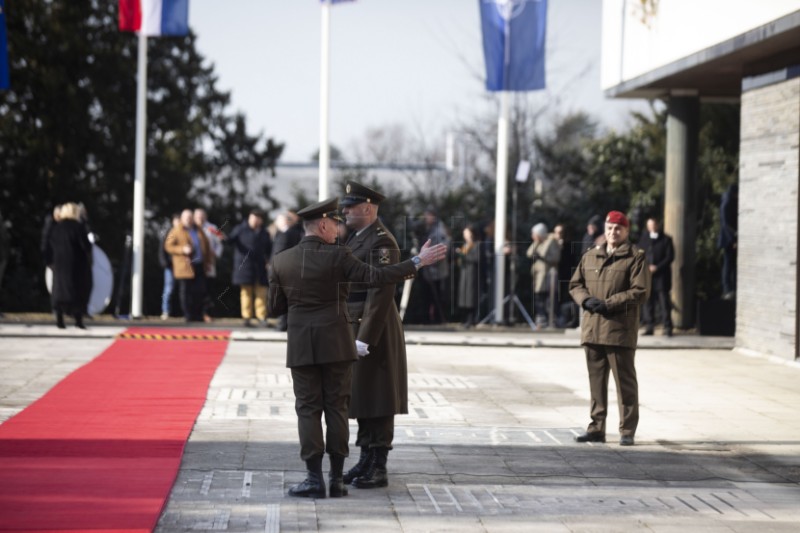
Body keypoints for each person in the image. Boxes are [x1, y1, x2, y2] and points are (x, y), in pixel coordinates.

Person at [267, 197, 446, 499]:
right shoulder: (340, 256)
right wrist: (417, 262)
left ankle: (314, 478)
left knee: (308, 409)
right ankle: (336, 479)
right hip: (338, 341)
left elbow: (275, 308)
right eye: (334, 222)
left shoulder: (281, 260)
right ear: (322, 225)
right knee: (337, 407)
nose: (338, 225)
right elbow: (378, 276)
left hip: (302, 346)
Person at [339, 182, 408, 489]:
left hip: (374, 327)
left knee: (377, 396)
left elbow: (380, 292)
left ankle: (378, 465)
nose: (344, 211)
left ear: (367, 209)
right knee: (364, 394)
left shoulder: (382, 243)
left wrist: (365, 336)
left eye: (349, 207)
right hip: (358, 324)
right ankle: (366, 458)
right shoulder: (359, 237)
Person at [569, 210, 650, 446]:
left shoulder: (635, 256)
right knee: (596, 384)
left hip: (619, 330)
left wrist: (609, 304)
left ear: (626, 231)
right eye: (609, 228)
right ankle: (596, 427)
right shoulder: (591, 255)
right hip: (593, 329)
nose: (613, 232)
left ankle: (627, 430)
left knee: (624, 384)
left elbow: (640, 291)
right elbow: (575, 284)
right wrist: (585, 300)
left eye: (618, 228)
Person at [46, 202, 92, 329]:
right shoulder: (78, 227)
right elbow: (86, 246)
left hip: (59, 264)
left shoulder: (56, 228)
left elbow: (48, 245)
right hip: (76, 264)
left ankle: (60, 319)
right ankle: (78, 320)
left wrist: (50, 261)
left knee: (59, 290)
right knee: (78, 291)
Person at [164, 209, 213, 322]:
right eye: (186, 218)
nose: (189, 220)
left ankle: (198, 314)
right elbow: (168, 246)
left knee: (199, 291)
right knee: (186, 292)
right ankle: (188, 315)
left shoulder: (198, 229)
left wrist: (208, 261)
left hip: (199, 264)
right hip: (185, 266)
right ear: (181, 219)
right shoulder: (175, 231)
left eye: (190, 217)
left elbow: (206, 246)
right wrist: (182, 249)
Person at [228, 209, 272, 327]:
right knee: (246, 292)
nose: (254, 221)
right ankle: (246, 317)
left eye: (257, 219)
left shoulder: (264, 233)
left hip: (260, 267)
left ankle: (261, 316)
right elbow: (230, 240)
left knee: (261, 292)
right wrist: (222, 237)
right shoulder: (240, 229)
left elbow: (269, 249)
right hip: (244, 266)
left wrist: (269, 261)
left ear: (261, 220)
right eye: (252, 218)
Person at [638, 217, 674, 336]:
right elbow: (639, 255)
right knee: (648, 303)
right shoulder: (644, 239)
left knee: (664, 302)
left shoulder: (666, 239)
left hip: (662, 276)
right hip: (648, 276)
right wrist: (647, 267)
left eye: (654, 224)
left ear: (657, 225)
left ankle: (667, 327)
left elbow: (670, 257)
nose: (652, 227)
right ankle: (649, 327)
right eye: (650, 225)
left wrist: (657, 267)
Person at [270, 209, 303, 331]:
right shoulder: (283, 233)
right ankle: (284, 323)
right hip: (286, 269)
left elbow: (279, 252)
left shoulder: (290, 233)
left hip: (284, 270)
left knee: (284, 297)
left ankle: (283, 324)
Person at [419, 206, 451, 323]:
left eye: (428, 215)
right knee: (428, 295)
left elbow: (444, 247)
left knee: (437, 295)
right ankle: (427, 318)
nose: (426, 218)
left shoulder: (439, 229)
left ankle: (438, 319)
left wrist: (433, 260)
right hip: (428, 268)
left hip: (437, 270)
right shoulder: (429, 229)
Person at [525, 223, 561, 327]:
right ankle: (541, 319)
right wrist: (536, 242)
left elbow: (556, 258)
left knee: (549, 299)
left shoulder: (551, 241)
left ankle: (551, 320)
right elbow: (528, 253)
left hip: (549, 275)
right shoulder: (538, 242)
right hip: (539, 275)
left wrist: (543, 258)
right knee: (539, 298)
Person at [194, 208, 225, 323]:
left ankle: (207, 313)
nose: (200, 218)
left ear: (205, 217)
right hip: (194, 263)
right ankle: (195, 313)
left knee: (208, 289)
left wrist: (215, 254)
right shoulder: (191, 228)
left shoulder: (211, 228)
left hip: (209, 263)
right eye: (197, 216)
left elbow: (220, 243)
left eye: (202, 216)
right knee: (195, 289)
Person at [456, 224, 484, 328]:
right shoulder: (465, 245)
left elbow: (477, 259)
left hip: (472, 273)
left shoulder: (477, 245)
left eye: (467, 233)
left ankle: (471, 319)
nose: (465, 235)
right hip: (464, 273)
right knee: (464, 296)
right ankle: (465, 319)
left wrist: (464, 256)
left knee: (471, 297)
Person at [159, 214, 181, 320]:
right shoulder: (168, 234)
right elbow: (162, 250)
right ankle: (166, 310)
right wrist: (165, 263)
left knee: (182, 290)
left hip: (181, 266)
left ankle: (180, 311)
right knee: (168, 289)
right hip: (170, 266)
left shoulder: (184, 233)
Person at [718, 184, 738, 300]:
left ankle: (733, 287)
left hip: (732, 236)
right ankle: (727, 288)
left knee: (732, 265)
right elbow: (725, 224)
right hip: (728, 239)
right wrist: (733, 238)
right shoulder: (727, 203)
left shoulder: (731, 202)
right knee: (728, 264)